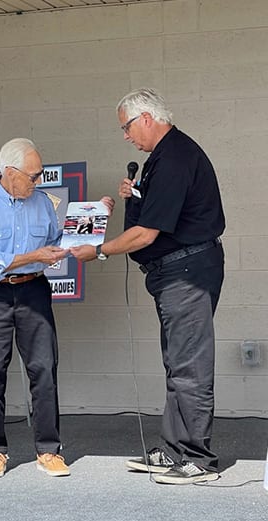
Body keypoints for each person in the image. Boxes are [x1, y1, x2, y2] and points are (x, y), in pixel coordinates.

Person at [71, 88, 225, 485]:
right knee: (177, 363)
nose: (126, 136)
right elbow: (158, 216)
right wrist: (134, 195)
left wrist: (100, 251)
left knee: (189, 366)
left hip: (187, 272)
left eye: (126, 126)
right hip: (176, 272)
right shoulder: (161, 159)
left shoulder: (174, 156)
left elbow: (146, 234)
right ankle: (174, 449)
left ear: (145, 118)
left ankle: (197, 458)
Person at [0, 137, 113, 479]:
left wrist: (94, 217)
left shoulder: (42, 202)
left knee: (44, 368)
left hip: (33, 290)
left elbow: (60, 242)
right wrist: (33, 256)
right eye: (33, 176)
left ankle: (49, 450)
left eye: (40, 175)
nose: (38, 181)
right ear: (9, 172)